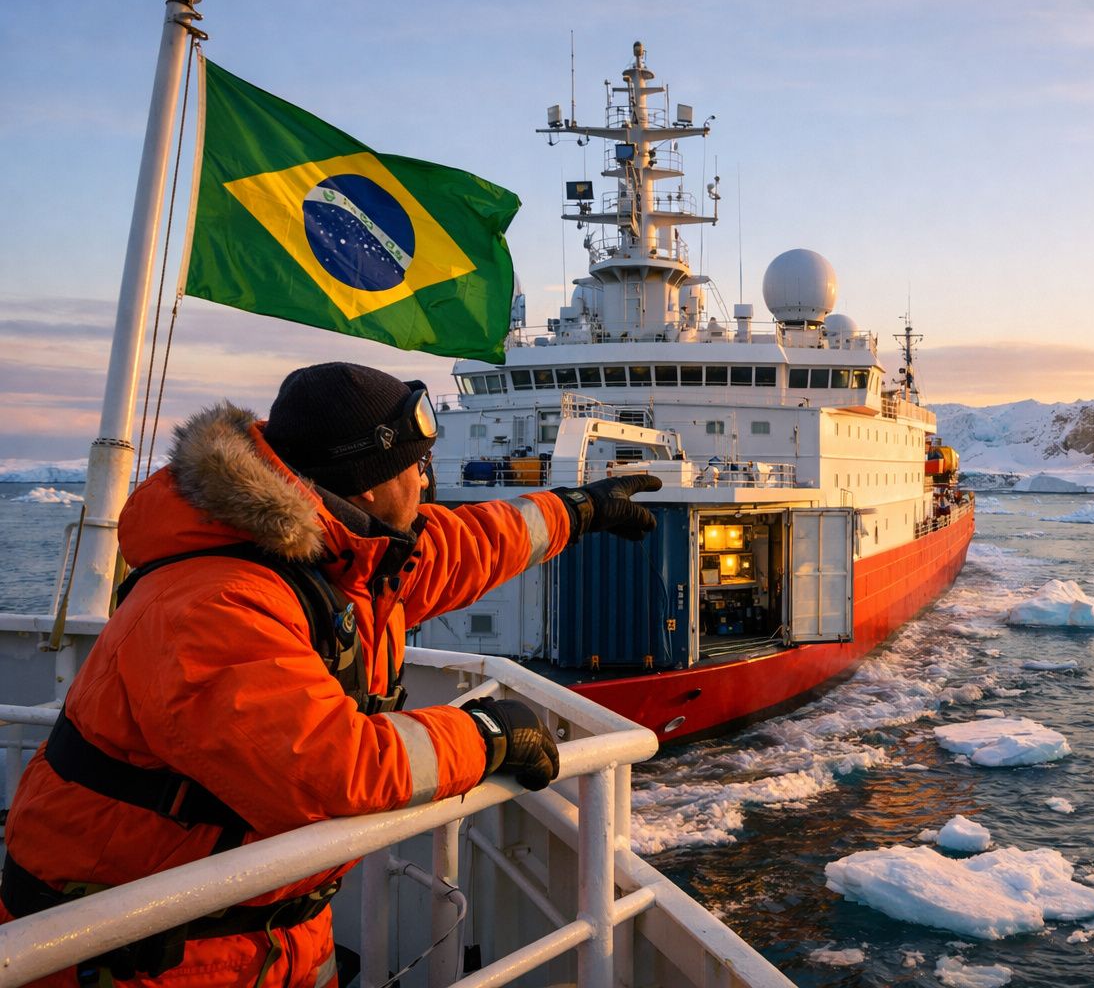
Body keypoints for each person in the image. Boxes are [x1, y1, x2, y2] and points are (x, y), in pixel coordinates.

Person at [0, 362, 660, 988]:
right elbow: (328, 767)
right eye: (417, 466)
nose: (428, 484)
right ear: (369, 484)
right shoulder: (210, 601)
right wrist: (483, 735)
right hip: (147, 953)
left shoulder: (338, 555)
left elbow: (465, 546)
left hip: (266, 932)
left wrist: (580, 509)